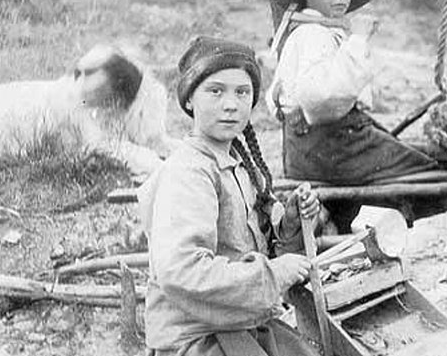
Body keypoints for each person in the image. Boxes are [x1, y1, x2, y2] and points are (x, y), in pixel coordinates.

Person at [138, 36, 323, 356]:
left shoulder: (238, 164)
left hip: (239, 323)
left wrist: (290, 224)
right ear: (190, 100)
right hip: (197, 338)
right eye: (215, 91)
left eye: (242, 92)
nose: (230, 104)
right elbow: (181, 271)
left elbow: (251, 245)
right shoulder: (189, 172)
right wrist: (275, 274)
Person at [267, 0, 437, 231]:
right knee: (422, 169)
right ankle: (443, 215)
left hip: (319, 148)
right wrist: (358, 40)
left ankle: (351, 217)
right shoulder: (312, 35)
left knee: (409, 153)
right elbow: (320, 99)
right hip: (328, 147)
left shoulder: (315, 30)